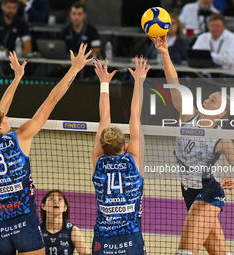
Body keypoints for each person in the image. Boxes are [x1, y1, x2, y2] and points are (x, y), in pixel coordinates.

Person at [149, 34, 234, 255]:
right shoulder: (188, 116)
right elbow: (174, 83)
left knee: (184, 252)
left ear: (221, 112)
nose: (206, 101)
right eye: (207, 98)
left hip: (209, 193)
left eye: (212, 100)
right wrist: (165, 53)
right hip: (188, 192)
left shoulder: (221, 139)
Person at [0, 44, 93, 255]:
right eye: (3, 118)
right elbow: (51, 100)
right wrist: (75, 69)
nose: (7, 117)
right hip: (24, 223)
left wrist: (16, 79)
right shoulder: (20, 137)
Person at [91, 56, 150, 255]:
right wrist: (139, 81)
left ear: (103, 146)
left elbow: (104, 118)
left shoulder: (98, 162)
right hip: (130, 239)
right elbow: (135, 116)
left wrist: (104, 84)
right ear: (124, 146)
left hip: (103, 238)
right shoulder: (132, 159)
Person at [40, 190, 91, 255]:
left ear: (65, 208)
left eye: (60, 199)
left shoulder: (73, 231)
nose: (56, 202)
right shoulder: (37, 230)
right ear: (43, 206)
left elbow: (86, 253)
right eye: (51, 199)